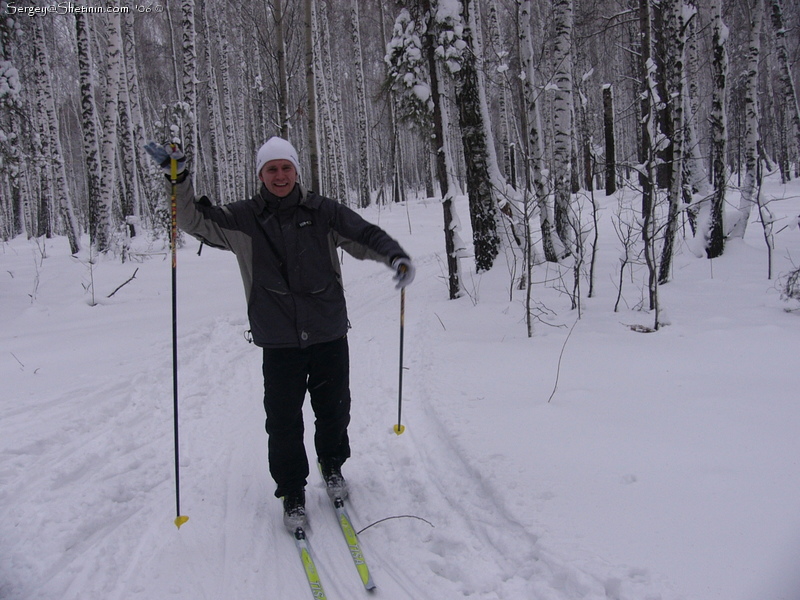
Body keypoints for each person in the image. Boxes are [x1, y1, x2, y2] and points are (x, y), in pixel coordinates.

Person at [144, 137, 414, 532]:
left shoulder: (322, 211)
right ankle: (291, 491)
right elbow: (192, 220)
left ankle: (333, 466)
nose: (280, 175)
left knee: (334, 410)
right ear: (261, 176)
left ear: (296, 171)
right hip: (280, 342)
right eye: (271, 169)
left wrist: (394, 255)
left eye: (286, 167)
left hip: (327, 332)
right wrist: (178, 178)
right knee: (284, 422)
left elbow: (363, 234)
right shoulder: (244, 219)